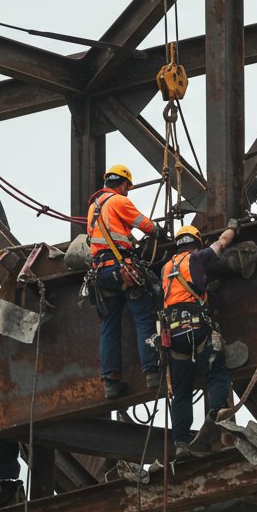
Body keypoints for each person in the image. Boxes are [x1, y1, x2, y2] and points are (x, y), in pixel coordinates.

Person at [160, 221, 237, 459]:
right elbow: (222, 243)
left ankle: (181, 443)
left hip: (173, 335)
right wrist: (233, 227)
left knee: (181, 392)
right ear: (196, 243)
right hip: (197, 328)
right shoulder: (197, 258)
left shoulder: (165, 268)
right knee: (216, 371)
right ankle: (217, 415)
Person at [86, 164, 163, 399]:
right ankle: (152, 373)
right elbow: (147, 226)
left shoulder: (93, 207)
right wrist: (160, 231)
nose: (127, 191)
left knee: (109, 327)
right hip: (122, 268)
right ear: (122, 184)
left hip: (101, 272)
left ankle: (110, 382)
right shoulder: (120, 201)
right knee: (143, 318)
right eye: (127, 187)